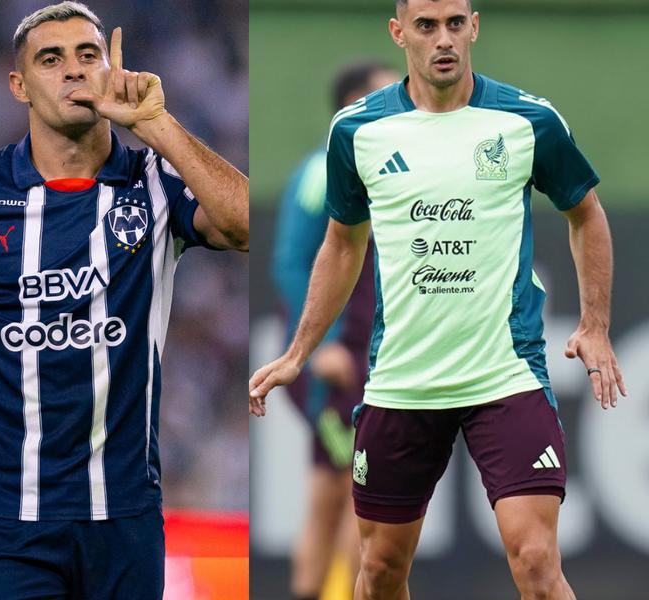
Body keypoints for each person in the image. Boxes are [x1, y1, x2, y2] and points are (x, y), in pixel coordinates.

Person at [0, 2, 249, 598]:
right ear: (19, 84)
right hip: (0, 520)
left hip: (123, 520)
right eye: (51, 59)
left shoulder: (154, 185)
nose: (73, 70)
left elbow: (243, 225)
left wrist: (158, 126)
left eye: (89, 56)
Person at [249, 1, 626, 598]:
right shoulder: (357, 130)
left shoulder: (527, 120)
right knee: (377, 570)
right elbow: (341, 245)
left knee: (535, 560)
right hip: (402, 380)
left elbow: (586, 212)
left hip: (507, 373)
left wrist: (596, 323)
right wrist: (300, 351)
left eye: (455, 23)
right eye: (426, 26)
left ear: (474, 26)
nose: (443, 39)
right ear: (400, 33)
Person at [271, 60, 397, 600]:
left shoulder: (388, 171)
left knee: (331, 491)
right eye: (388, 97)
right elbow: (289, 262)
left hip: (366, 360)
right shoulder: (325, 170)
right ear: (353, 109)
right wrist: (319, 345)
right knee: (360, 493)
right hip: (339, 366)